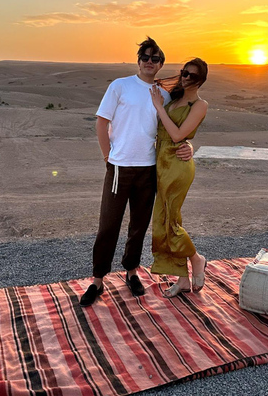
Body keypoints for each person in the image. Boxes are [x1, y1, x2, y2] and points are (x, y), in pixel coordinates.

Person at [80, 37, 193, 307]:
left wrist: (188, 145)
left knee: (139, 226)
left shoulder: (163, 96)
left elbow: (173, 130)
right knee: (108, 226)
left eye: (155, 59)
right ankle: (97, 279)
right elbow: (102, 121)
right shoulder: (120, 86)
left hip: (148, 170)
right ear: (138, 59)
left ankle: (131, 272)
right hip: (119, 168)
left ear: (161, 64)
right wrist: (108, 156)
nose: (149, 62)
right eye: (145, 57)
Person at [149, 58, 209, 297]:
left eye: (192, 76)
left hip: (178, 165)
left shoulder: (200, 104)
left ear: (201, 80)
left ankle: (196, 259)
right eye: (184, 73)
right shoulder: (175, 98)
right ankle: (183, 279)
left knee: (171, 223)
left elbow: (177, 136)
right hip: (161, 163)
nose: (186, 78)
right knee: (163, 221)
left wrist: (159, 108)